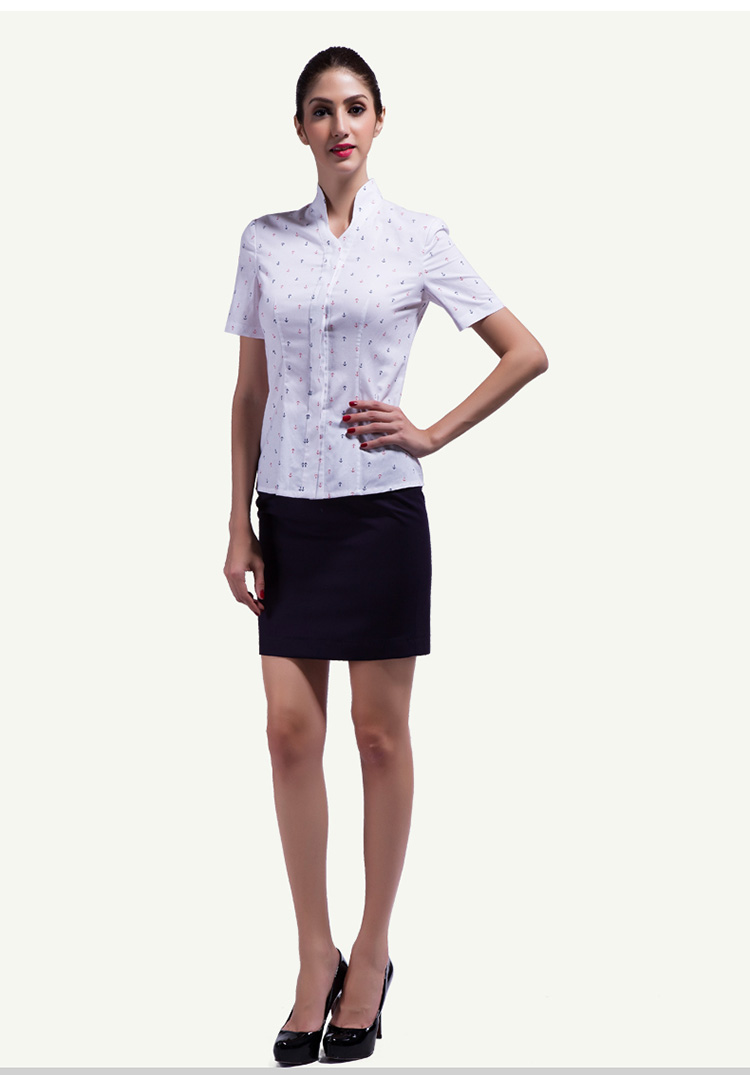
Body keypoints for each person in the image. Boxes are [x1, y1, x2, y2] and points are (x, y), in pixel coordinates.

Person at [223, 45, 548, 1064]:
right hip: (289, 514)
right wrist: (236, 522)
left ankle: (371, 952)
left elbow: (525, 350)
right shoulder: (264, 241)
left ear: (378, 119)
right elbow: (249, 392)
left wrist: (433, 432)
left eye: (355, 107)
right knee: (288, 735)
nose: (340, 126)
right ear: (300, 128)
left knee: (377, 737)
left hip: (378, 518)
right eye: (322, 110)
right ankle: (312, 953)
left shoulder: (418, 237)